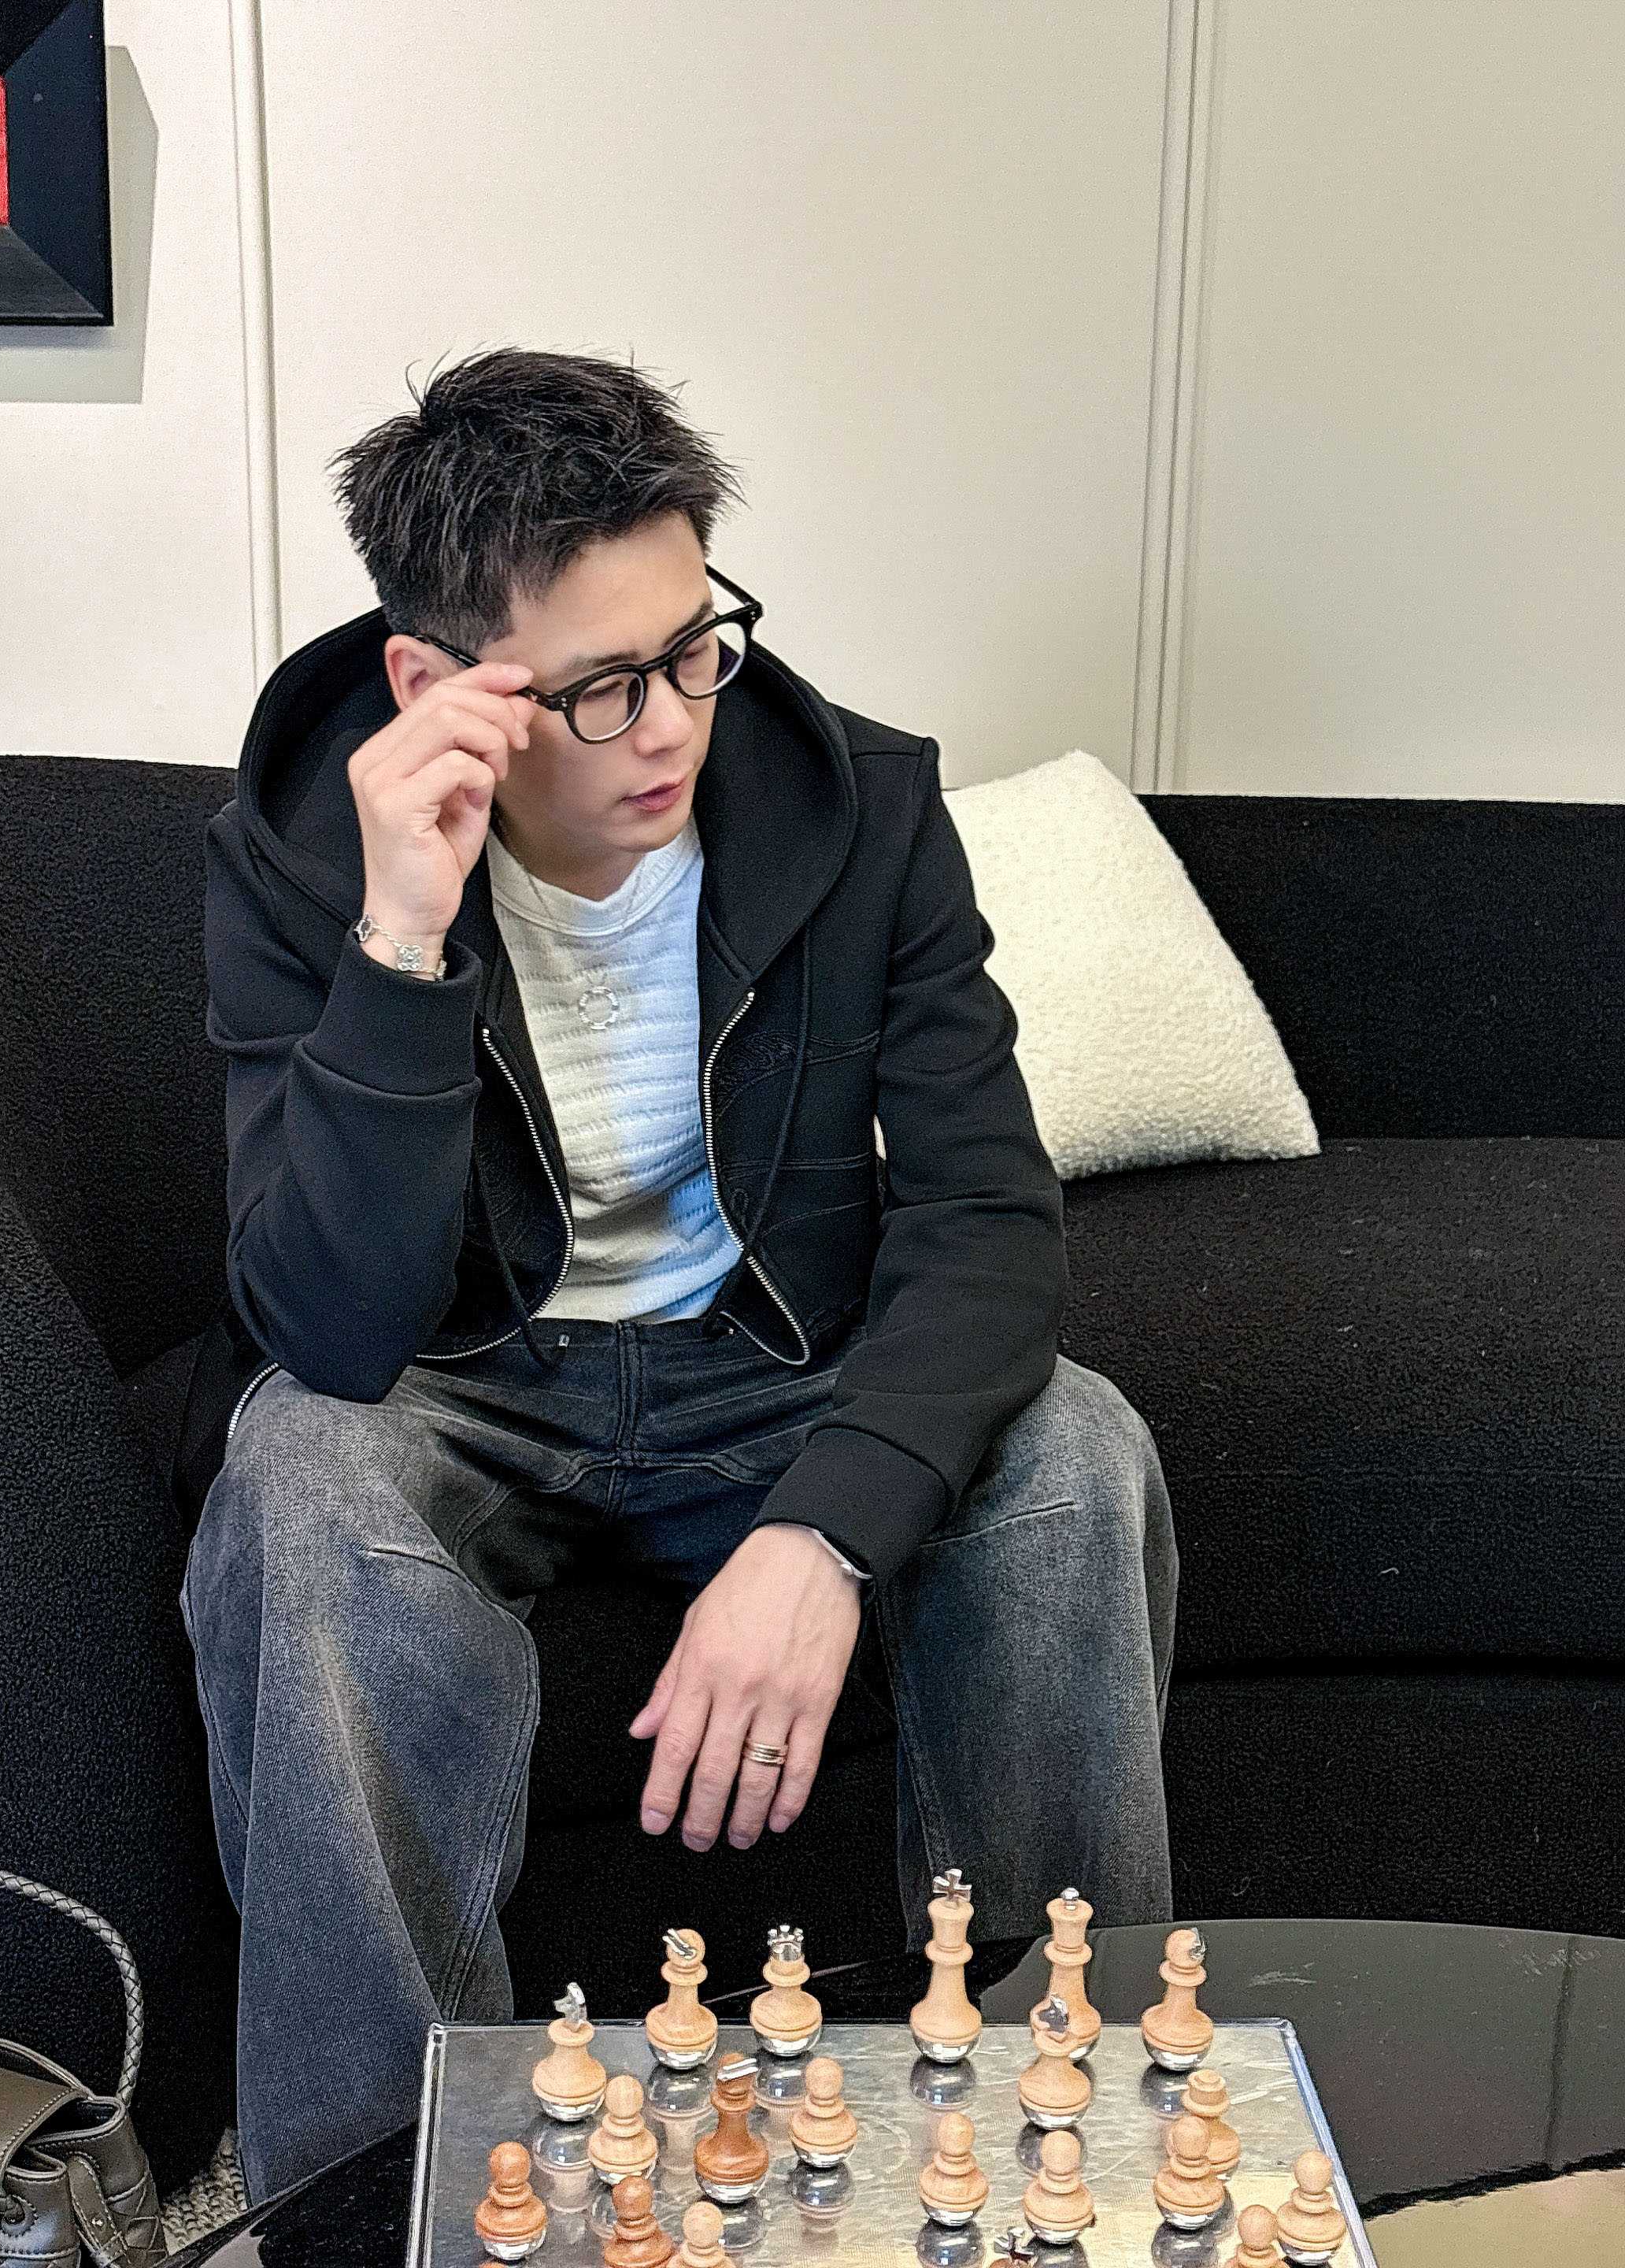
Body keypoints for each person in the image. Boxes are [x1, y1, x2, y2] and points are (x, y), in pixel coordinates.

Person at [172, 346, 1178, 2204]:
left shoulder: (857, 804)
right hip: (467, 1384)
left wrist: (824, 1536)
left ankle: (1070, 2148)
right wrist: (402, 941)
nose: (669, 728)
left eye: (696, 646)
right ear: (435, 689)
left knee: (1076, 1452)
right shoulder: (299, 860)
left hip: (773, 1361)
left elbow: (984, 1216)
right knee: (296, 1475)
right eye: (600, 688)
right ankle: (380, 2199)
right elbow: (328, 1329)